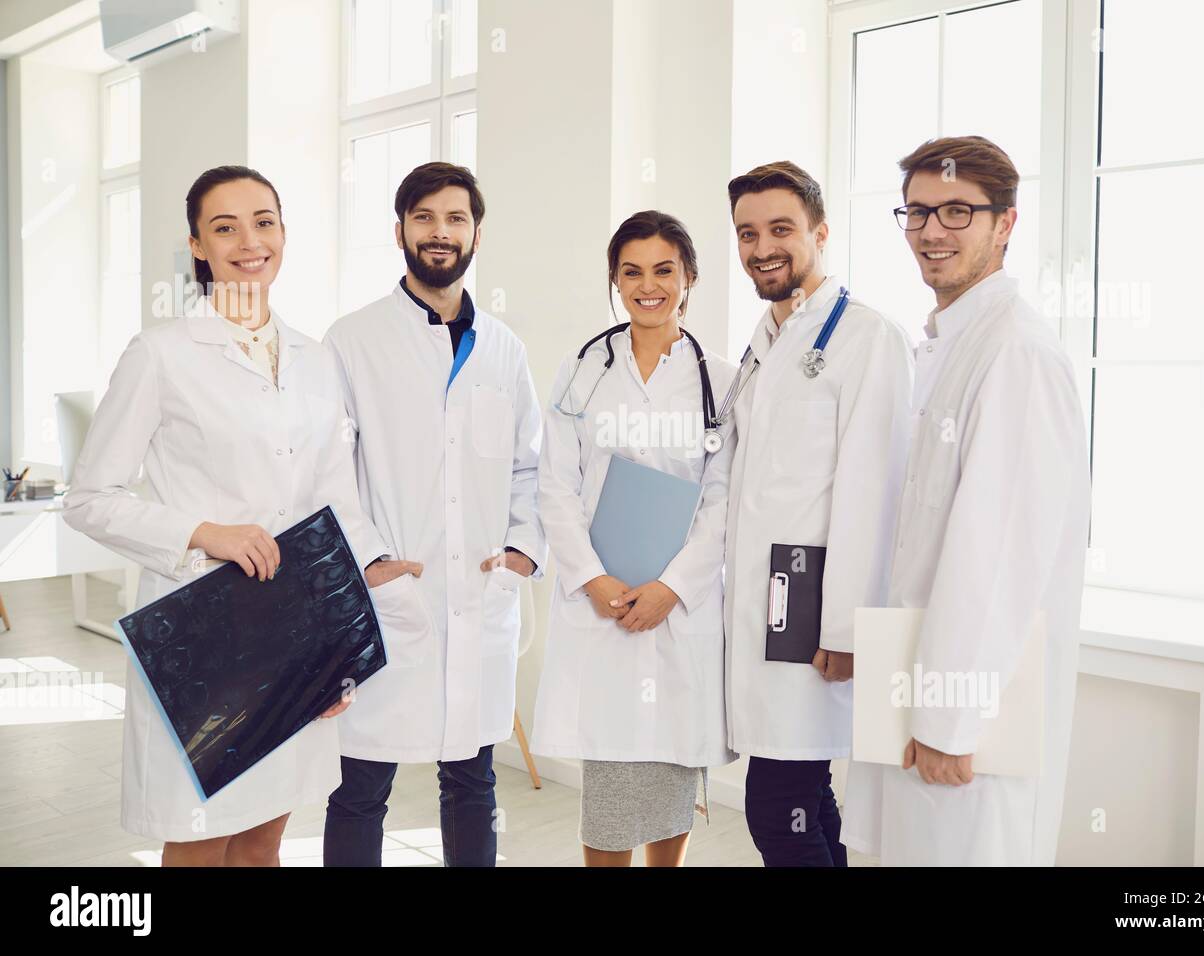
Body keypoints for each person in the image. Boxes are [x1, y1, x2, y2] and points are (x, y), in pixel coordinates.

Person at [63, 165, 413, 866]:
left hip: (295, 627)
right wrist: (202, 534)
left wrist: (354, 604)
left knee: (262, 839)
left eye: (264, 222)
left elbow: (333, 500)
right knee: (202, 835)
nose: (249, 241)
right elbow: (88, 498)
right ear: (197, 245)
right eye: (225, 227)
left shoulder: (316, 360)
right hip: (203, 627)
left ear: (283, 233)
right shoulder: (160, 355)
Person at [842, 135, 1091, 866]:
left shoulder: (1014, 352)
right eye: (916, 213)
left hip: (964, 716)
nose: (930, 232)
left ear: (1004, 224)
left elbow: (1000, 552)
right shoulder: (950, 342)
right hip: (922, 684)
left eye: (956, 211)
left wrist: (950, 719)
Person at [322, 162, 546, 868]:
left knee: (473, 780)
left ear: (477, 231)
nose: (440, 233)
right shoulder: (353, 340)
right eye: (425, 218)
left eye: (456, 219)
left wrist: (520, 553)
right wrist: (372, 562)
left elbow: (530, 466)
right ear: (400, 232)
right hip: (388, 602)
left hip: (479, 598)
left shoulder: (504, 348)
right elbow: (329, 474)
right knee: (360, 784)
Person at [722, 161, 914, 866]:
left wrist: (847, 628)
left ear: (820, 233)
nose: (762, 247)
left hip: (813, 617)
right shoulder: (768, 340)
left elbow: (876, 490)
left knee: (776, 807)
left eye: (781, 229)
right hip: (767, 608)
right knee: (806, 799)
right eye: (747, 233)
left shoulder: (867, 338)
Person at [532, 211, 736, 867]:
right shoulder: (581, 370)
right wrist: (593, 579)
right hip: (606, 605)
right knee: (613, 793)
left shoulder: (722, 381)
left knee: (673, 780)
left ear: (690, 278)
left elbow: (723, 498)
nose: (648, 286)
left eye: (664, 270)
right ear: (616, 281)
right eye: (632, 272)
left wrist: (672, 589)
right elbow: (554, 485)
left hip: (677, 610)